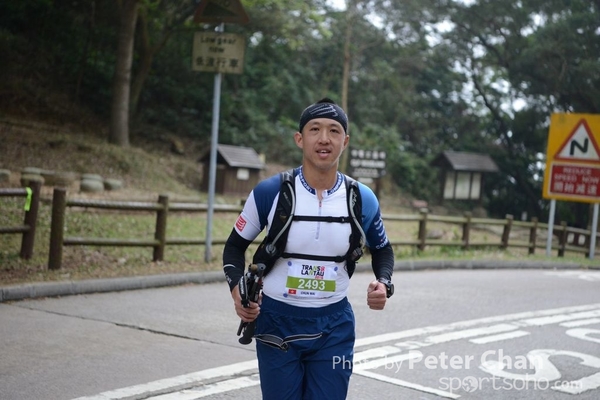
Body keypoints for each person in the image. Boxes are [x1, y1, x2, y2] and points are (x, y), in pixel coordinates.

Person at [222, 98, 395, 400]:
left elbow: (383, 250)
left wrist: (384, 282)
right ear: (299, 139)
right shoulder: (270, 192)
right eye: (315, 129)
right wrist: (238, 290)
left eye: (334, 130)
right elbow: (234, 248)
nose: (324, 138)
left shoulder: (361, 198)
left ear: (345, 142)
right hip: (276, 321)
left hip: (335, 327)